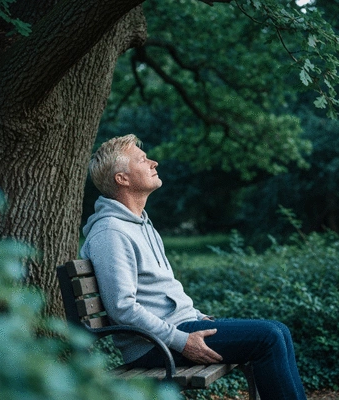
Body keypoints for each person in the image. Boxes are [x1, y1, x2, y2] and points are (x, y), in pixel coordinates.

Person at [80, 134, 307, 400]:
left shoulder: (140, 223)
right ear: (123, 179)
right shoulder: (111, 232)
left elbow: (160, 291)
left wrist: (196, 316)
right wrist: (182, 341)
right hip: (154, 345)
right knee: (268, 337)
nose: (154, 162)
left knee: (278, 330)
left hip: (179, 328)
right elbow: (123, 308)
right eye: (142, 160)